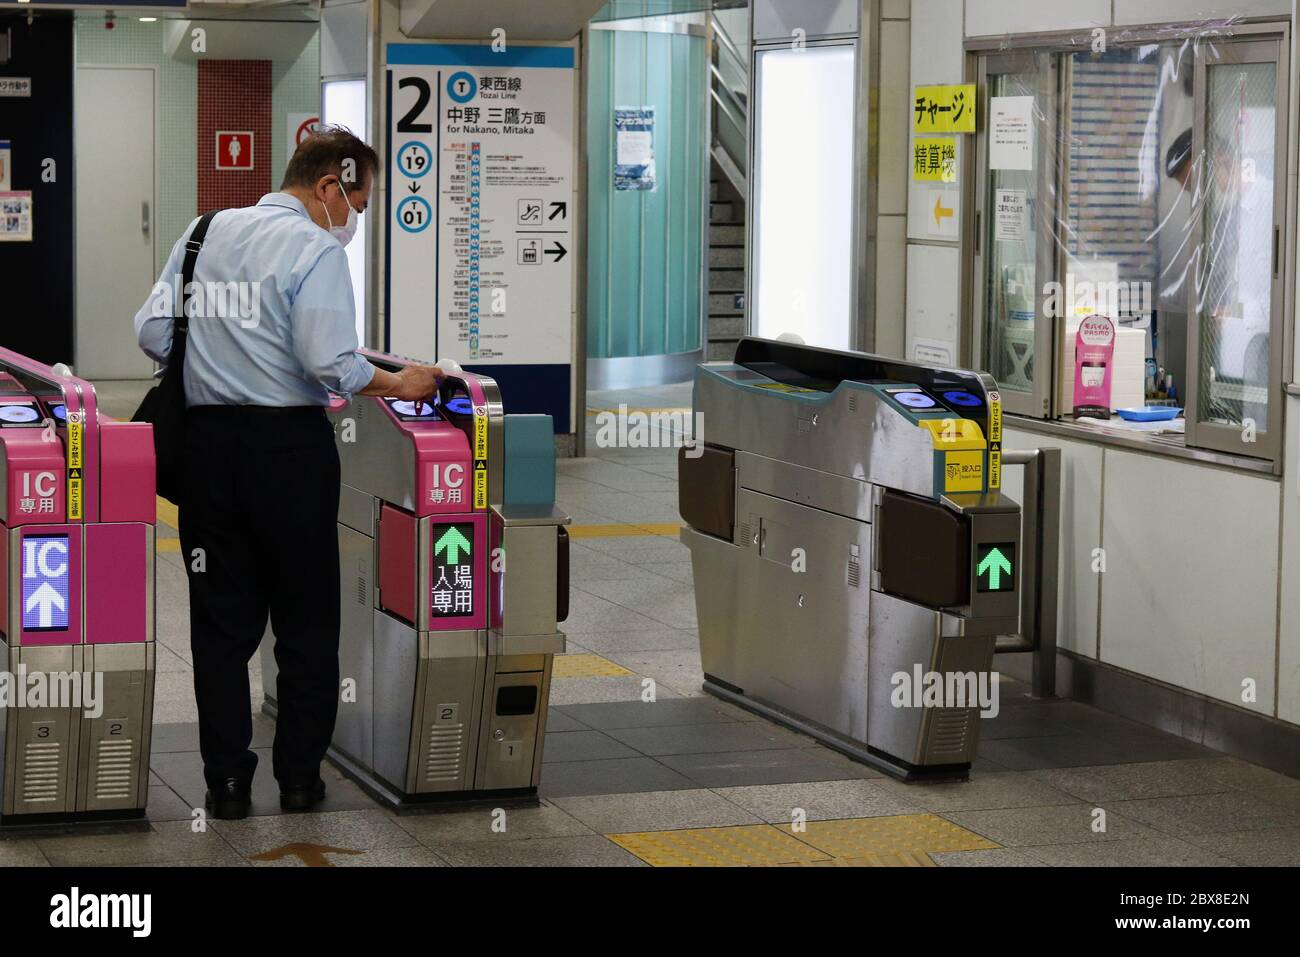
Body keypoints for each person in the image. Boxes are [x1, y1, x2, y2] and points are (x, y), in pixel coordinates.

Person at [133, 127, 441, 819]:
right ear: (331, 185)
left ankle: (227, 784)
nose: (354, 222)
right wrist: (405, 380)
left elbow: (152, 332)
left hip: (207, 454)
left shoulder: (203, 230)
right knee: (304, 619)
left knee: (219, 625)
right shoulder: (314, 248)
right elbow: (332, 361)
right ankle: (299, 777)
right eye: (358, 204)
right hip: (289, 454)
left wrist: (221, 348)